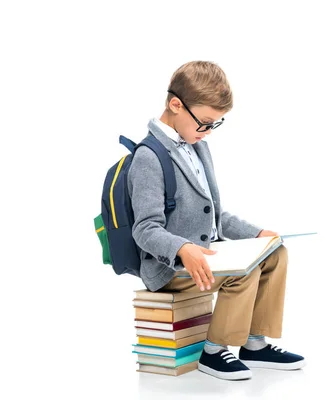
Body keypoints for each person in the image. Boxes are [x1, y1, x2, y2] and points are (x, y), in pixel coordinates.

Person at [127, 61, 305, 380]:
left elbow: (216, 216)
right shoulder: (148, 157)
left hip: (208, 252)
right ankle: (213, 352)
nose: (208, 131)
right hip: (170, 266)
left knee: (273, 252)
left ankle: (255, 343)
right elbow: (145, 229)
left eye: (215, 124)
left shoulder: (198, 147)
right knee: (243, 270)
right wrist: (183, 249)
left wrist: (258, 234)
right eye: (205, 122)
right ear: (176, 105)